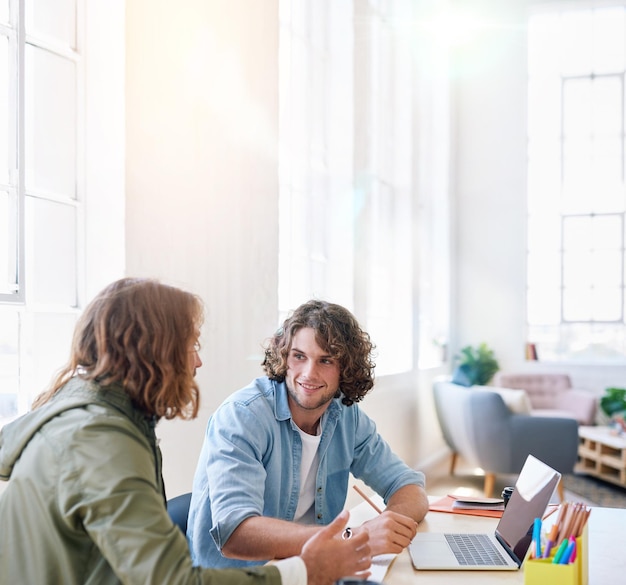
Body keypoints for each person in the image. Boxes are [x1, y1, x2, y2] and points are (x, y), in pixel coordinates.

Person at [0, 279, 371, 585]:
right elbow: (173, 582)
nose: (197, 360)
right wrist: (306, 570)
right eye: (190, 345)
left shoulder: (99, 420)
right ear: (152, 352)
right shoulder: (100, 442)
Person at [187, 299, 429, 569]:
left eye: (325, 360)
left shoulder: (345, 416)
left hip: (309, 570)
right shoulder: (243, 417)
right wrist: (353, 538)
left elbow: (408, 486)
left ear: (346, 369)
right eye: (299, 356)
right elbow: (235, 533)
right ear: (284, 356)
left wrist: (388, 524)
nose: (309, 374)